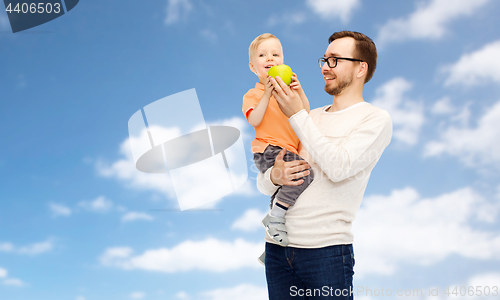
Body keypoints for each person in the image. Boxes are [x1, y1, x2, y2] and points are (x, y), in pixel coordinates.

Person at [257, 31, 393, 299]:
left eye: (334, 60)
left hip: (326, 253)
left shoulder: (375, 119)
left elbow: (339, 167)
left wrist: (296, 114)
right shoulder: (310, 117)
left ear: (360, 69)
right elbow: (264, 185)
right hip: (276, 249)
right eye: (324, 59)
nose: (324, 67)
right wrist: (274, 174)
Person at [242, 33, 314, 263]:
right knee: (305, 174)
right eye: (263, 55)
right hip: (269, 150)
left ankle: (272, 244)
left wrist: (298, 90)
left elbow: (305, 112)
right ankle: (275, 218)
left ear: (283, 61)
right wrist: (267, 94)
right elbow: (255, 120)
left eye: (275, 54)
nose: (270, 58)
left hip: (288, 149)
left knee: (290, 195)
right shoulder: (253, 94)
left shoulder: (289, 93)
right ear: (253, 67)